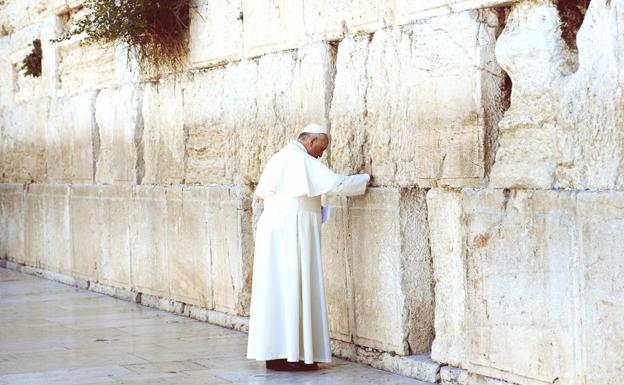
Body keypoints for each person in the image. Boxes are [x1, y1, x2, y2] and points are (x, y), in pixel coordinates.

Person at [246, 123, 371, 371]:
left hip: (276, 232)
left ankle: (277, 355)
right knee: (294, 288)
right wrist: (365, 178)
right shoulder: (299, 159)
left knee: (277, 292)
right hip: (293, 233)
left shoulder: (282, 156)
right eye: (321, 148)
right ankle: (293, 356)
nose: (321, 155)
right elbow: (336, 184)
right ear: (311, 141)